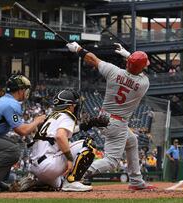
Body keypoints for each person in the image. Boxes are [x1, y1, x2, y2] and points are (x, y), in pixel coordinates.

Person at [66, 42, 154, 190]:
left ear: (128, 64)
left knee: (132, 141)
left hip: (103, 118)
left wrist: (78, 49)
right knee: (111, 161)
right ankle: (75, 174)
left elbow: (92, 59)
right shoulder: (143, 83)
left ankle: (136, 181)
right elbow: (143, 69)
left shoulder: (114, 72)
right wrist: (128, 55)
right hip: (118, 123)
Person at [10, 89, 108, 192]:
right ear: (70, 106)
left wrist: (87, 124)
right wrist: (70, 159)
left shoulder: (52, 117)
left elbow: (63, 133)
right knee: (88, 143)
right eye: (75, 104)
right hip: (48, 166)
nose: (76, 106)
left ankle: (36, 182)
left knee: (59, 186)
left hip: (36, 167)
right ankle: (72, 181)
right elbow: (60, 136)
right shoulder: (67, 116)